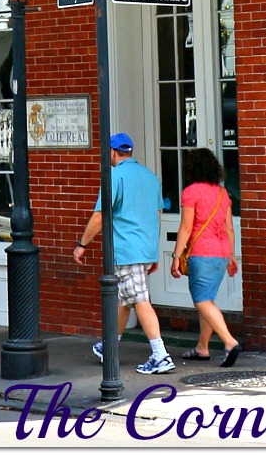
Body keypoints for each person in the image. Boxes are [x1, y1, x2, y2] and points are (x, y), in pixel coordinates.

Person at [72, 132, 174, 375]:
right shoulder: (150, 177)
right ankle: (109, 346)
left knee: (139, 299)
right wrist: (154, 253)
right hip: (144, 247)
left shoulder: (114, 176)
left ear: (113, 153)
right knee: (126, 298)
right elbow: (156, 216)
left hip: (126, 249)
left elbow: (100, 216)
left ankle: (160, 354)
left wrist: (82, 244)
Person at [170, 147, 241, 366]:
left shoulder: (191, 192)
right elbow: (230, 228)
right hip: (221, 252)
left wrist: (176, 255)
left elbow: (186, 227)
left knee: (201, 300)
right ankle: (202, 347)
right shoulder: (222, 193)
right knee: (207, 299)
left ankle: (229, 342)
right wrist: (231, 255)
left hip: (201, 252)